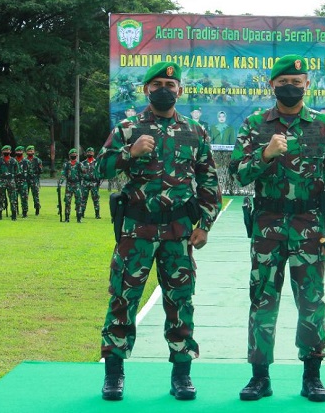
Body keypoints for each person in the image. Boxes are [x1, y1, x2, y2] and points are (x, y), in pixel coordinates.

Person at [96, 61, 221, 402]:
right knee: (123, 298)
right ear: (146, 90)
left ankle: (182, 373)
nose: (164, 89)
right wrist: (128, 153)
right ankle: (114, 373)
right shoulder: (128, 127)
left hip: (178, 233)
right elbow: (98, 168)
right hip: (137, 231)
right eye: (157, 84)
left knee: (180, 302)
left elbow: (209, 180)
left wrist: (205, 224)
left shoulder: (195, 131)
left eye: (171, 83)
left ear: (180, 90)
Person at [230, 54, 325, 403]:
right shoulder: (255, 124)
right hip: (267, 226)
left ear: (307, 85)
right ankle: (259, 376)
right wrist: (264, 154)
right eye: (284, 82)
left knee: (311, 302)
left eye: (297, 82)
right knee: (262, 301)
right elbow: (237, 173)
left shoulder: (324, 126)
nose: (291, 87)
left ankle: (312, 375)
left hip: (310, 227)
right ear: (272, 85)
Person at [0, 145, 19, 221]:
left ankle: (14, 215)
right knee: (0, 198)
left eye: (8, 150)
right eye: (5, 150)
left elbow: (17, 172)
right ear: (2, 152)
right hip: (2, 181)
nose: (6, 152)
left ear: (10, 152)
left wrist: (16, 181)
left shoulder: (13, 161)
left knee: (13, 198)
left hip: (11, 181)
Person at [58, 148, 84, 223]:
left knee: (79, 201)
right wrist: (60, 183)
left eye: (74, 154)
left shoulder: (79, 164)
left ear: (76, 155)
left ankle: (79, 218)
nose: (73, 155)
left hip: (77, 184)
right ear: (69, 156)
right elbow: (63, 174)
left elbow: (84, 172)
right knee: (67, 201)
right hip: (69, 185)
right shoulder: (66, 164)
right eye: (72, 154)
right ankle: (67, 218)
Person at [80, 147, 101, 219]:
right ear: (86, 153)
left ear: (93, 153)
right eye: (88, 152)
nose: (90, 153)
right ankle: (82, 213)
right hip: (85, 183)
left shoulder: (97, 163)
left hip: (94, 183)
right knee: (83, 198)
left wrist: (98, 180)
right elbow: (80, 173)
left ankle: (97, 214)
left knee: (96, 198)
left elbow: (99, 172)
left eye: (91, 152)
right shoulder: (82, 163)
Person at [13, 146, 31, 218]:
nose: (19, 153)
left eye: (20, 151)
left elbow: (30, 172)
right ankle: (14, 212)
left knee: (24, 198)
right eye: (17, 151)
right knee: (13, 198)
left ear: (23, 152)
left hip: (23, 182)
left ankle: (24, 213)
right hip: (14, 182)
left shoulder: (26, 161)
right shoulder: (13, 161)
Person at [25, 146, 44, 215]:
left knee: (36, 195)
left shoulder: (37, 160)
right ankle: (25, 210)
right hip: (26, 179)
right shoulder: (24, 160)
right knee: (25, 195)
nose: (30, 152)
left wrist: (37, 171)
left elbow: (41, 171)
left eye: (32, 151)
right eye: (29, 151)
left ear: (34, 152)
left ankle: (37, 209)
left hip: (34, 179)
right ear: (26, 152)